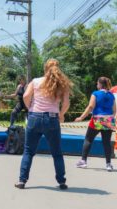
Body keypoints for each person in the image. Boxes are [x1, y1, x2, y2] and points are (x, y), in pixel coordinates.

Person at [15, 59, 72, 190]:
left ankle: (22, 181)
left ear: (45, 69)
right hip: (52, 119)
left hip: (34, 117)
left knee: (28, 151)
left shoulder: (35, 81)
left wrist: (30, 108)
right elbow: (66, 103)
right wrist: (61, 114)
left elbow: (26, 96)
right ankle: (61, 181)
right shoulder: (62, 83)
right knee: (56, 152)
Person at [75, 76, 116, 172]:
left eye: (97, 83)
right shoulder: (111, 95)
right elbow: (114, 110)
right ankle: (108, 164)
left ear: (100, 84)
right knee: (106, 142)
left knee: (88, 139)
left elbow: (90, 106)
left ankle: (83, 161)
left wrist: (81, 117)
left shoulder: (95, 94)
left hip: (97, 118)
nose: (96, 85)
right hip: (108, 119)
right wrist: (109, 118)